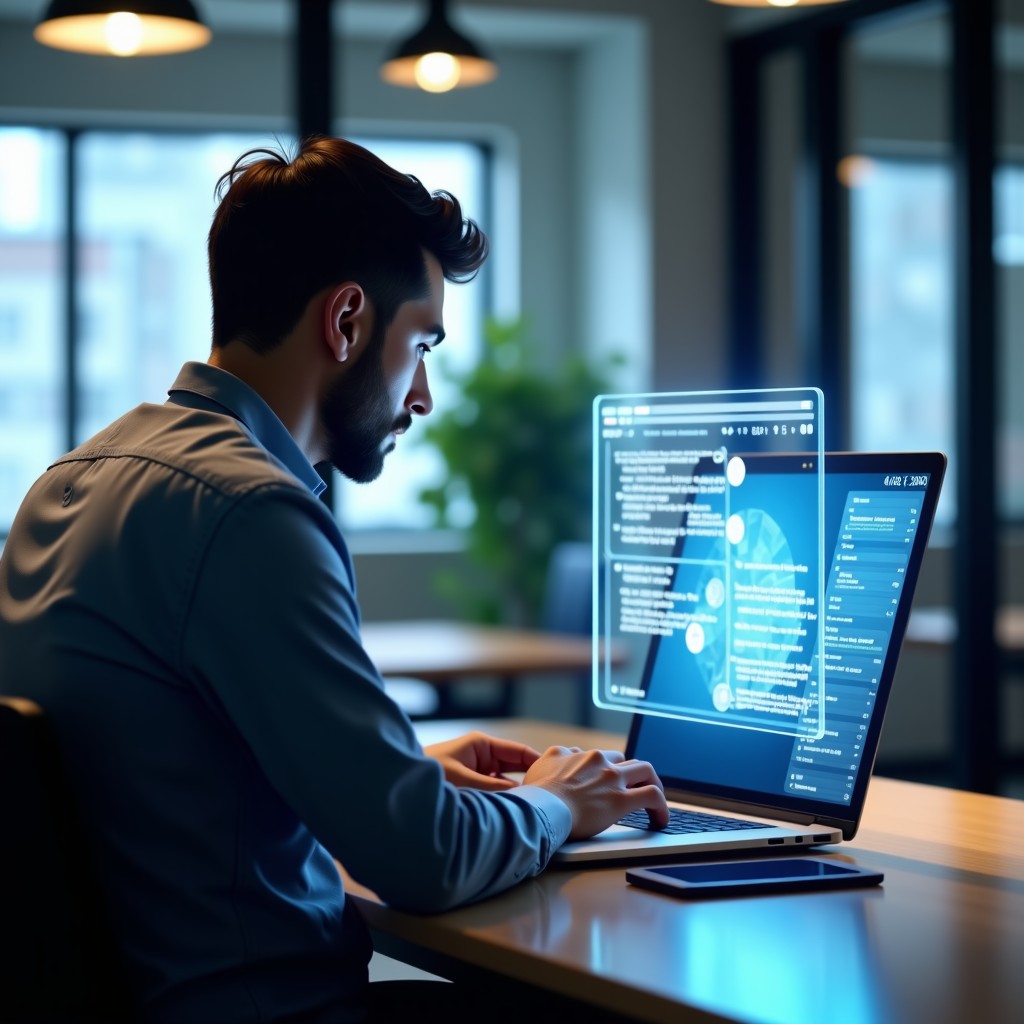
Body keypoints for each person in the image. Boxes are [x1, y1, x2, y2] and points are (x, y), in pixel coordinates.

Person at [0, 136, 667, 1023]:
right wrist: (555, 803)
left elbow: (150, 770)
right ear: (347, 321)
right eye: (420, 343)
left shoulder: (69, 482)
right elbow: (422, 862)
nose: (422, 394)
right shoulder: (251, 513)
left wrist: (392, 774)